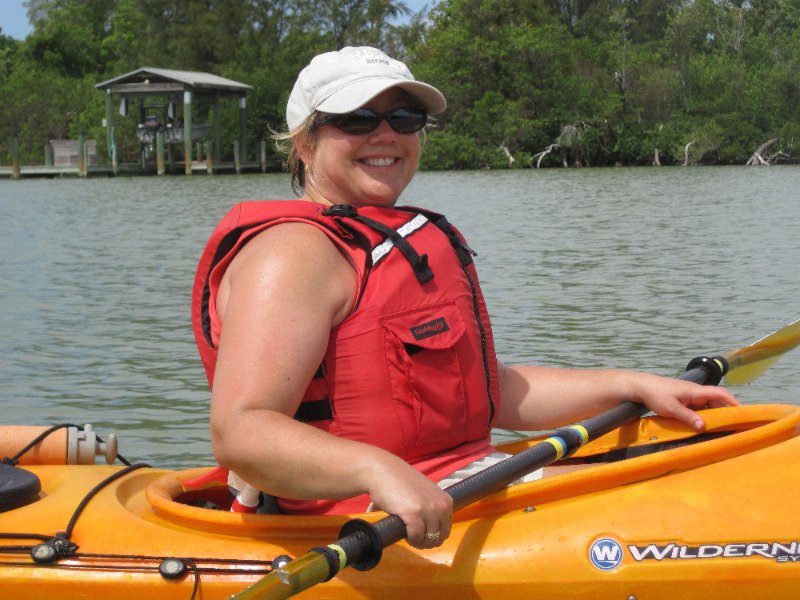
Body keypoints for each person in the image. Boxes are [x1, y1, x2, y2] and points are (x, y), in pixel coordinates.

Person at [191, 46, 738, 549]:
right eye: (358, 120)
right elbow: (242, 431)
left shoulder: (385, 241)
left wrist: (630, 383)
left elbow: (482, 394)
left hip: (463, 478)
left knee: (719, 451)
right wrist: (376, 470)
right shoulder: (293, 253)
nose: (386, 135)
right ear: (305, 142)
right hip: (365, 519)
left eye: (404, 119)